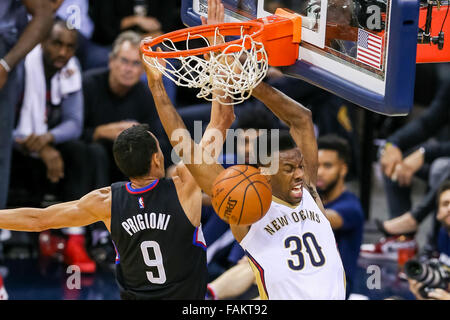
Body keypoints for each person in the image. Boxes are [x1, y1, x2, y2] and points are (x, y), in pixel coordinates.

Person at [141, 0, 345, 298]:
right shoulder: (244, 207)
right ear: (266, 173)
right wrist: (158, 89)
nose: (301, 174)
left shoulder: (310, 194)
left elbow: (302, 119)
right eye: (290, 169)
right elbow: (186, 146)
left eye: (300, 166)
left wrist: (249, 81)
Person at [81, 31, 161, 188]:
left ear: (143, 69)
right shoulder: (88, 84)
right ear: (111, 61)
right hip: (92, 157)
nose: (129, 69)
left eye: (136, 63)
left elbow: (159, 139)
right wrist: (99, 132)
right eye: (124, 61)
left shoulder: (145, 94)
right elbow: (73, 133)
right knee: (95, 151)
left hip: (128, 162)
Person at [316, 134, 364, 298]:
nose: (319, 172)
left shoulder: (351, 207)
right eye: (316, 166)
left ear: (343, 169)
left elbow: (326, 218)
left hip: (336, 288)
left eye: (327, 166)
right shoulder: (309, 201)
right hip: (303, 279)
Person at [407, 180, 450, 300]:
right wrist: (420, 291)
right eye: (445, 204)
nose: (449, 208)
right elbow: (423, 262)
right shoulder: (438, 235)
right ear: (438, 214)